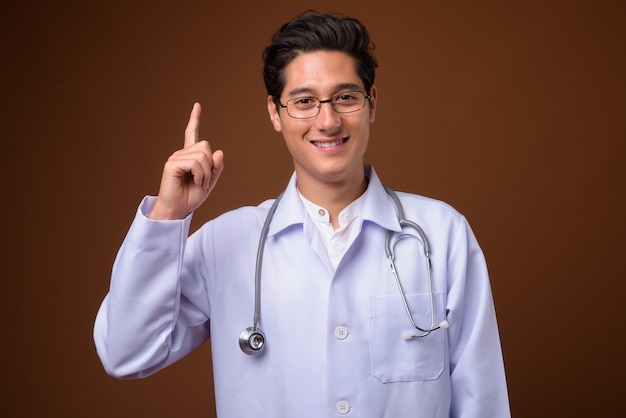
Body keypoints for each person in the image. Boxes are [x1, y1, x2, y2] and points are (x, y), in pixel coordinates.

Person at [94, 10, 510, 417]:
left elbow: (483, 401)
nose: (327, 121)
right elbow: (126, 353)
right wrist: (167, 214)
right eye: (304, 101)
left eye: (345, 97)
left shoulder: (441, 234)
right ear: (275, 113)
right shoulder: (227, 242)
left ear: (372, 103)